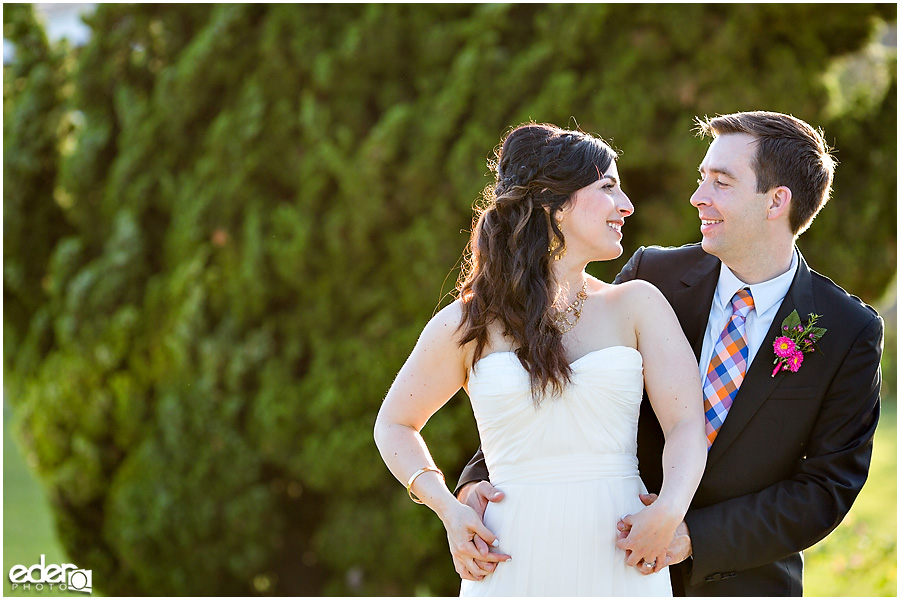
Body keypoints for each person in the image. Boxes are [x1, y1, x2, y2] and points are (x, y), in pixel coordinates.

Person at [455, 111, 884, 596]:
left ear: (776, 202)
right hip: (599, 565)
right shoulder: (651, 277)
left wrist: (689, 535)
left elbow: (826, 490)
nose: (698, 197)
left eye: (720, 182)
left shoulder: (848, 330)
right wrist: (476, 483)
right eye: (703, 179)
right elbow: (557, 381)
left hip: (740, 583)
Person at [374, 123, 708, 596]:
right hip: (510, 559)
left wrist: (669, 511)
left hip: (622, 551)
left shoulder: (637, 305)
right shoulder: (468, 322)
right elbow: (394, 424)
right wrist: (450, 509)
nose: (627, 205)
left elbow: (687, 425)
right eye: (608, 187)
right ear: (554, 204)